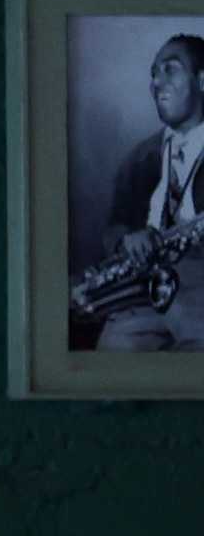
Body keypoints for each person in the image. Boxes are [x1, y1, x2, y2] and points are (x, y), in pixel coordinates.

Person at [101, 32, 204, 352]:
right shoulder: (139, 157)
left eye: (170, 69)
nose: (157, 83)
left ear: (202, 80)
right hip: (144, 292)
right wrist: (126, 240)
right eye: (153, 74)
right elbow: (113, 227)